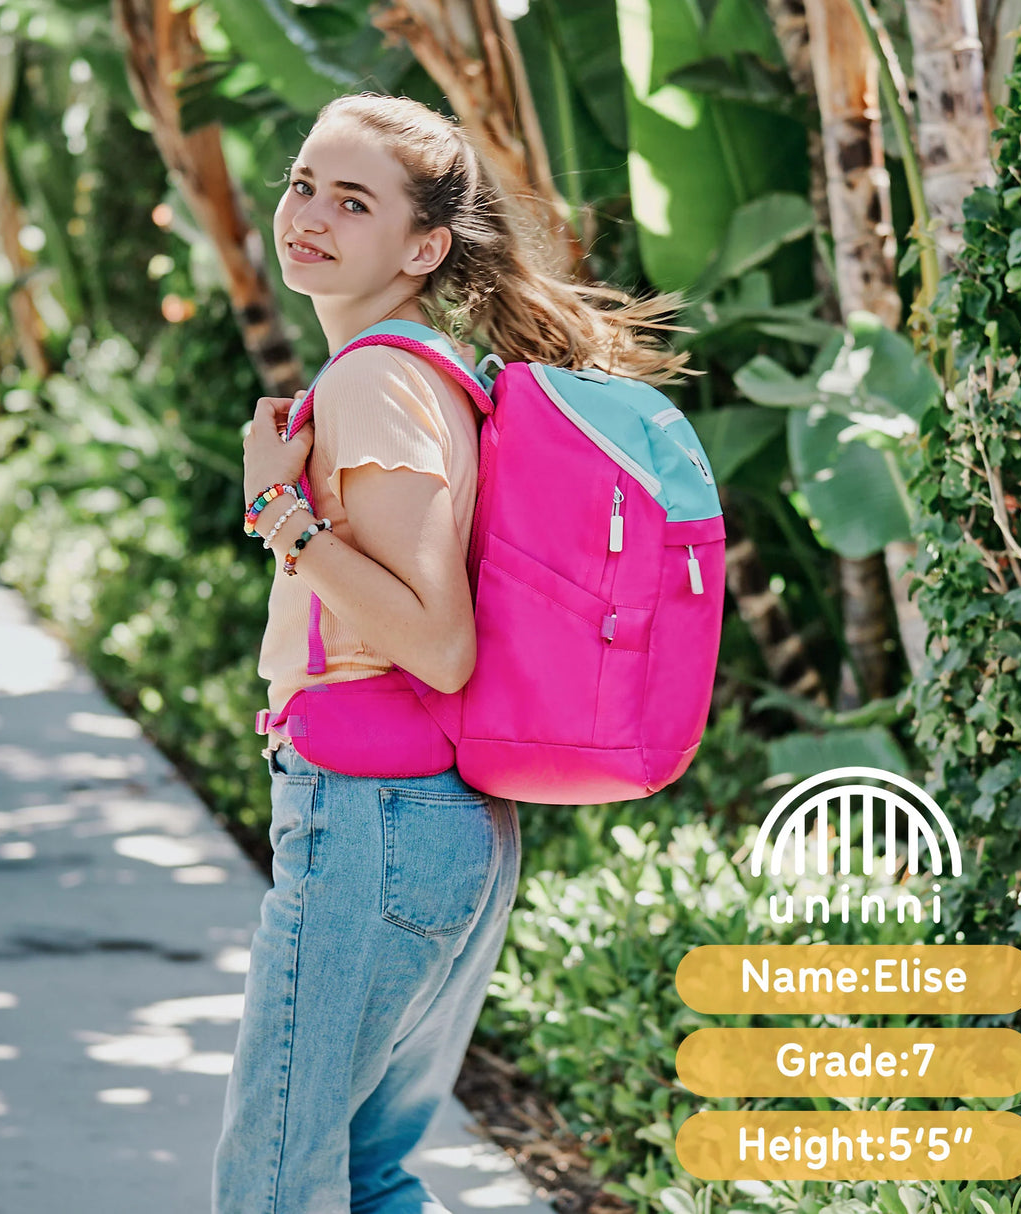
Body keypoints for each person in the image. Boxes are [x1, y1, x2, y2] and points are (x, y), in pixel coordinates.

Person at [214, 92, 694, 1214]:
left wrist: (278, 512)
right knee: (367, 1177)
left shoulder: (375, 380)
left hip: (373, 820)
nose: (308, 215)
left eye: (352, 200)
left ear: (423, 247)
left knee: (275, 1180)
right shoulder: (426, 366)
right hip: (428, 822)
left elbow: (435, 641)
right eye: (302, 185)